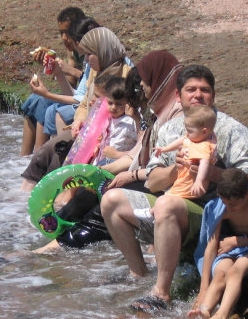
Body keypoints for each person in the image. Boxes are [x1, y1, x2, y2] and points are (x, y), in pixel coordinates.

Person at [100, 65, 248, 312]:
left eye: (205, 90)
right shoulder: (170, 130)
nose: (198, 95)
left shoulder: (232, 131)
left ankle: (161, 293)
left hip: (216, 215)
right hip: (176, 205)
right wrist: (175, 171)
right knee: (111, 200)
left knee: (166, 204)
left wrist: (210, 173)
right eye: (191, 90)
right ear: (179, 96)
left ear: (213, 96)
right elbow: (152, 183)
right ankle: (139, 273)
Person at [30, 51, 184, 250]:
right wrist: (92, 174)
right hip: (144, 177)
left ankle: (58, 246)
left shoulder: (173, 115)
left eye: (144, 84)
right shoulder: (155, 113)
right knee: (88, 193)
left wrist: (129, 175)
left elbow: (162, 167)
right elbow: (135, 155)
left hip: (160, 187)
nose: (141, 90)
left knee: (105, 202)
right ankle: (57, 234)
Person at [20, 26, 132, 191]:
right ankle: (22, 198)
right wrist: (79, 120)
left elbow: (125, 114)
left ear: (102, 52)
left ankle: (51, 198)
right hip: (88, 126)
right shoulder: (97, 71)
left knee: (60, 149)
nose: (85, 60)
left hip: (108, 136)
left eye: (89, 54)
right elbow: (85, 102)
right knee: (46, 150)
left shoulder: (126, 74)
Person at [188, 168, 248, 319]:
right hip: (230, 247)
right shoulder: (222, 207)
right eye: (224, 202)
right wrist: (203, 288)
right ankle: (205, 310)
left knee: (235, 271)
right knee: (220, 272)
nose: (227, 207)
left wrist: (238, 241)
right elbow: (210, 247)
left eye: (232, 204)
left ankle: (222, 316)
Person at [20, 7, 86, 156]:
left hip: (86, 101)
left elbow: (93, 82)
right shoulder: (72, 50)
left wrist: (69, 70)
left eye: (67, 32)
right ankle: (23, 159)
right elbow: (72, 84)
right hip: (77, 94)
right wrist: (54, 69)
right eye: (60, 33)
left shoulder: (90, 48)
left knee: (45, 104)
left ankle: (38, 158)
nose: (63, 38)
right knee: (34, 100)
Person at [133, 105, 217, 221]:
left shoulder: (203, 146)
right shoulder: (195, 137)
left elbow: (204, 164)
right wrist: (164, 149)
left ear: (204, 131)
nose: (187, 133)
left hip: (191, 183)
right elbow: (182, 141)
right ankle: (154, 214)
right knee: (171, 194)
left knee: (170, 195)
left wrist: (199, 181)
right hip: (184, 176)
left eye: (190, 131)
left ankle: (151, 213)